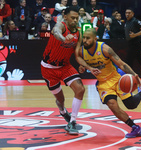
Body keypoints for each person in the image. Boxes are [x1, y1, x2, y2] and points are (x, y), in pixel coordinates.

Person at [76, 28, 141, 138]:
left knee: (131, 105)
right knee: (112, 105)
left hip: (115, 78)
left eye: (88, 38)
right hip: (103, 83)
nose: (85, 40)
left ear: (95, 39)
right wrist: (85, 67)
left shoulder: (105, 49)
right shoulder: (82, 51)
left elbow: (121, 64)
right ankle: (135, 127)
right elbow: (79, 60)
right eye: (84, 38)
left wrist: (134, 75)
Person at [41, 6, 96, 135]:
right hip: (49, 68)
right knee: (60, 99)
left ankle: (72, 121)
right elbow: (56, 32)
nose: (75, 20)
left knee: (80, 89)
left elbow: (77, 56)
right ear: (65, 17)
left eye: (77, 18)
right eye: (72, 18)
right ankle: (62, 111)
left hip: (65, 66)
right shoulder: (61, 26)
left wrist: (89, 68)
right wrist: (64, 38)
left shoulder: (78, 33)